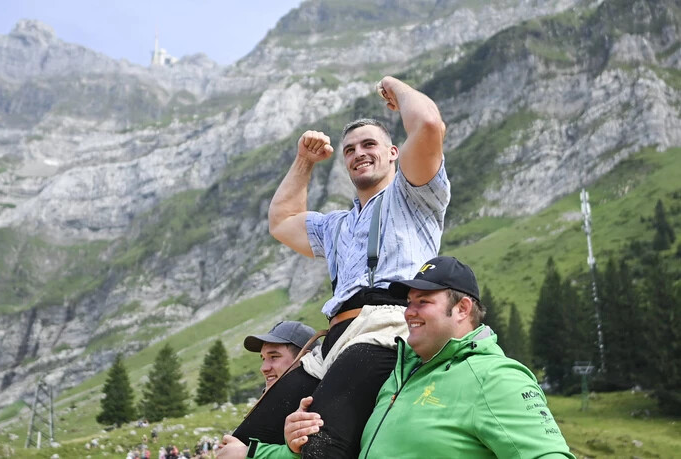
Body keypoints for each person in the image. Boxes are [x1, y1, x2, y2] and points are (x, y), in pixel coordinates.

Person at [228, 76, 449, 459]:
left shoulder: (415, 194)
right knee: (237, 445)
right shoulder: (337, 224)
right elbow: (282, 221)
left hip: (386, 325)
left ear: (394, 152)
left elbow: (429, 125)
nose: (358, 153)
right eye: (350, 150)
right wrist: (304, 160)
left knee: (321, 443)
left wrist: (394, 87)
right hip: (332, 338)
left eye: (369, 145)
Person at [281, 256, 575, 458]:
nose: (409, 312)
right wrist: (294, 443)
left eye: (423, 302)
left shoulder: (496, 377)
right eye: (409, 302)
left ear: (462, 309)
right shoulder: (398, 375)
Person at [243, 320, 319, 392]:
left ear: (305, 358)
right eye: (263, 359)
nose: (263, 368)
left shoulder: (325, 400)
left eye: (274, 357)